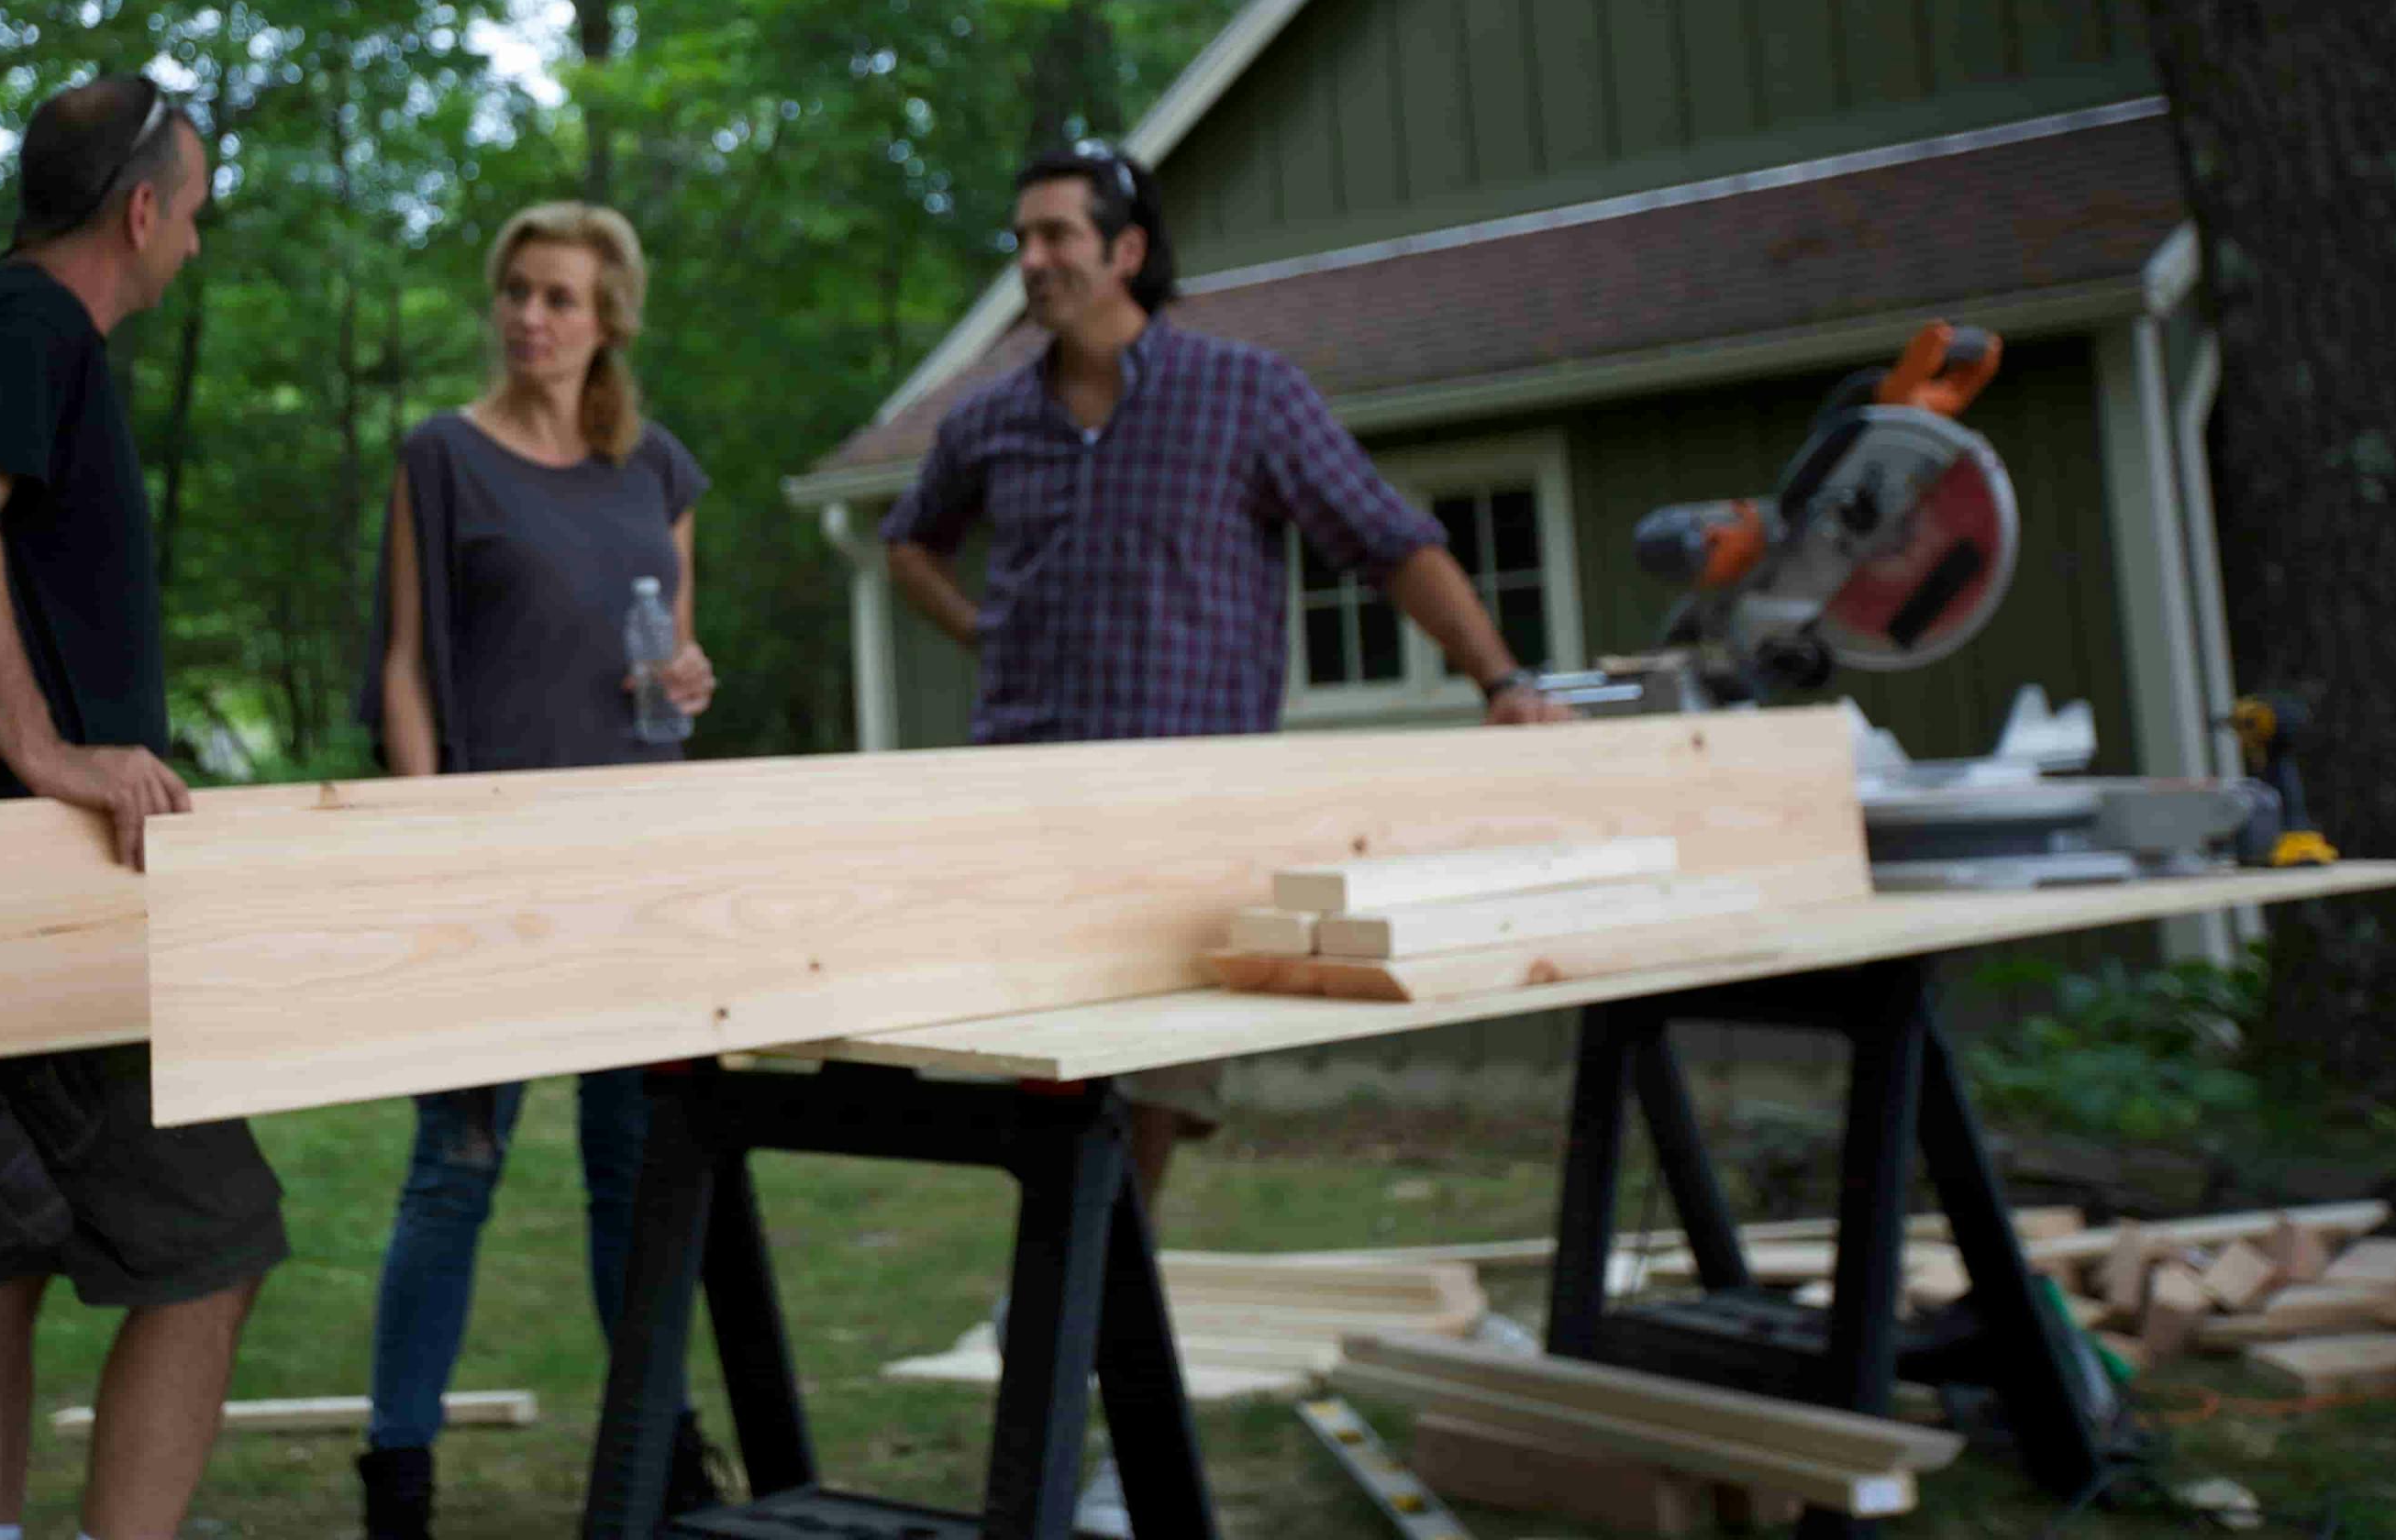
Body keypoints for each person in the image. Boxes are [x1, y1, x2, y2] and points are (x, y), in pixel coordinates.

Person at [882, 145, 1568, 1537]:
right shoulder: (990, 420)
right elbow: (911, 543)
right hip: (1025, 813)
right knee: (1048, 1123)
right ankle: (1072, 1369)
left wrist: (1502, 680)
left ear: (1129, 251)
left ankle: (1100, 1432)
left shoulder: (1249, 397)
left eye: (1060, 235)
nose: (1035, 262)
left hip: (1191, 830)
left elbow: (1390, 542)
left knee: (1133, 1131)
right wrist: (985, 634)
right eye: (1021, 238)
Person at [0, 74, 284, 1540]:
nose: (196, 249)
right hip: (40, 876)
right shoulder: (37, 325)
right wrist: (51, 754)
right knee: (214, 1243)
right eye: (196, 217)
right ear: (143, 208)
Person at [349, 201, 721, 1540]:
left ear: (607, 317)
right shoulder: (441, 458)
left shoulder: (656, 470)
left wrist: (690, 675)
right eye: (516, 291)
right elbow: (403, 663)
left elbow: (673, 661)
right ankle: (400, 1475)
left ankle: (659, 1451)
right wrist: (425, 836)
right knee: (454, 1164)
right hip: (489, 863)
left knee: (636, 1175)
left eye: (560, 296)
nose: (530, 317)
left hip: (637, 859)